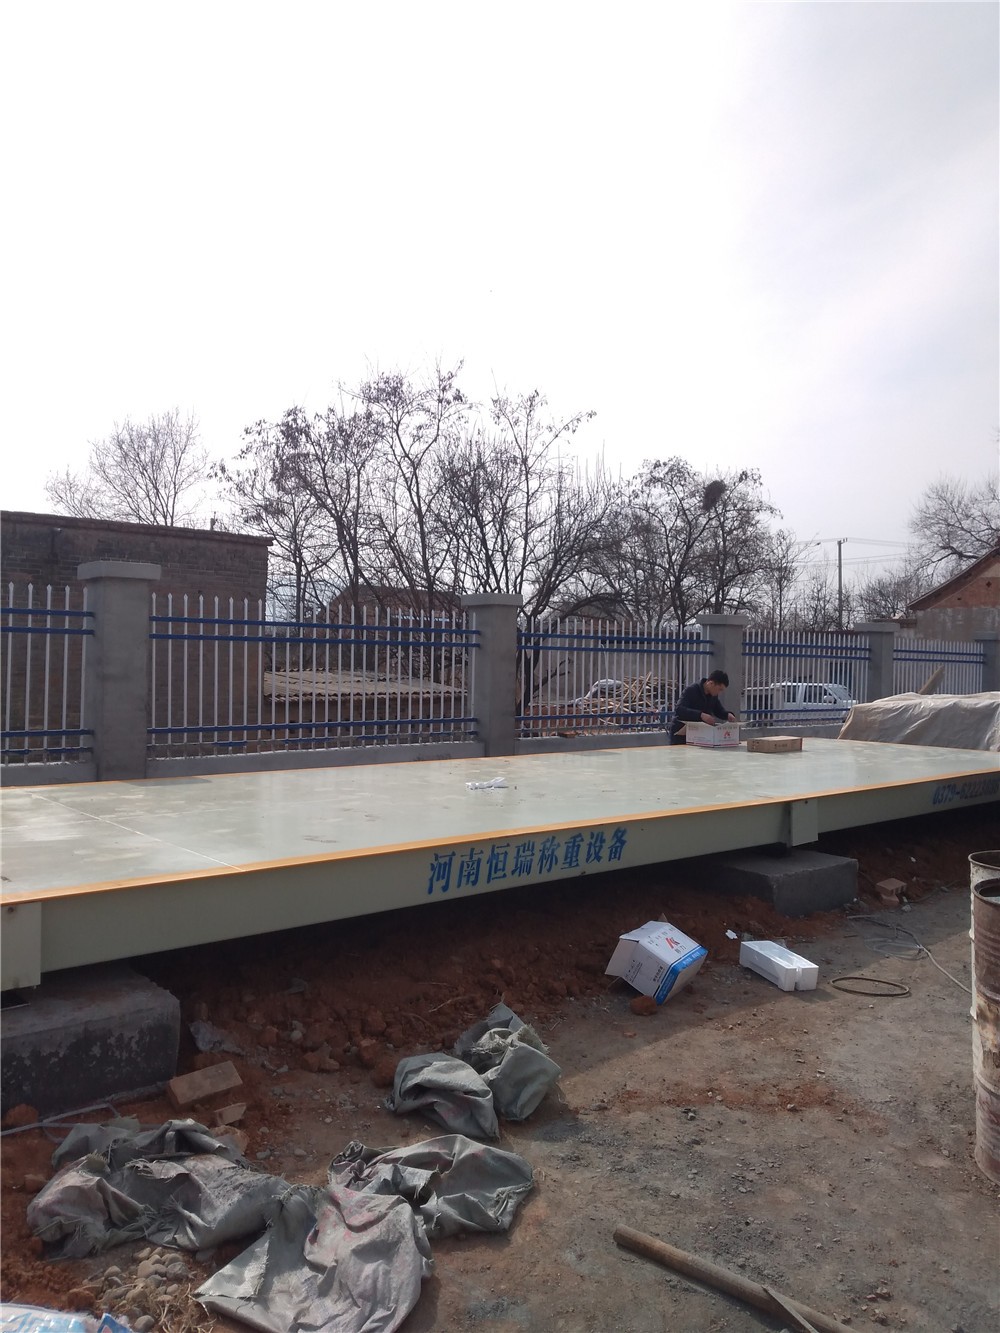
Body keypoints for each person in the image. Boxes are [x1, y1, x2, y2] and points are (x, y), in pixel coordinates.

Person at [668, 669, 737, 744]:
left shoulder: (713, 696)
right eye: (719, 689)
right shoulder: (691, 690)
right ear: (711, 683)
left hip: (700, 735)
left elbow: (718, 710)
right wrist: (701, 715)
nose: (719, 692)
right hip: (680, 734)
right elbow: (679, 709)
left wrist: (727, 715)